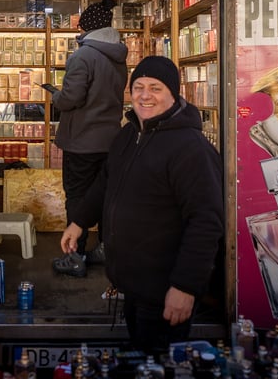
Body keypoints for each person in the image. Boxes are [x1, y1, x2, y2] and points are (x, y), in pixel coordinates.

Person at [59, 55, 224, 354]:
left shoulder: (191, 148)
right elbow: (105, 183)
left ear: (174, 94)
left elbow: (206, 222)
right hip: (133, 285)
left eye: (156, 88)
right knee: (140, 358)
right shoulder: (129, 134)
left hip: (166, 291)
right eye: (139, 87)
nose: (145, 95)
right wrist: (79, 221)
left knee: (158, 363)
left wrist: (185, 287)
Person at [46, 0, 128, 278]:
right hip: (110, 141)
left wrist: (55, 95)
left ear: (86, 27)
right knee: (106, 195)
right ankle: (105, 247)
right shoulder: (118, 57)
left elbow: (71, 99)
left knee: (78, 197)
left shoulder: (82, 56)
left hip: (81, 141)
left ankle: (75, 254)